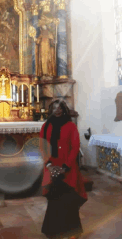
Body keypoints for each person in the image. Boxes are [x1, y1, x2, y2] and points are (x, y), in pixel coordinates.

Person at [39, 100, 87, 239]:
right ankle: (53, 230)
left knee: (69, 200)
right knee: (54, 200)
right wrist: (48, 164)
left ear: (64, 110)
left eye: (60, 108)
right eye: (54, 108)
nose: (57, 110)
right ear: (50, 110)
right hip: (51, 168)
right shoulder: (45, 126)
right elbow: (43, 146)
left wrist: (65, 167)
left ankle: (73, 231)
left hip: (68, 169)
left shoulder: (71, 126)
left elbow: (75, 146)